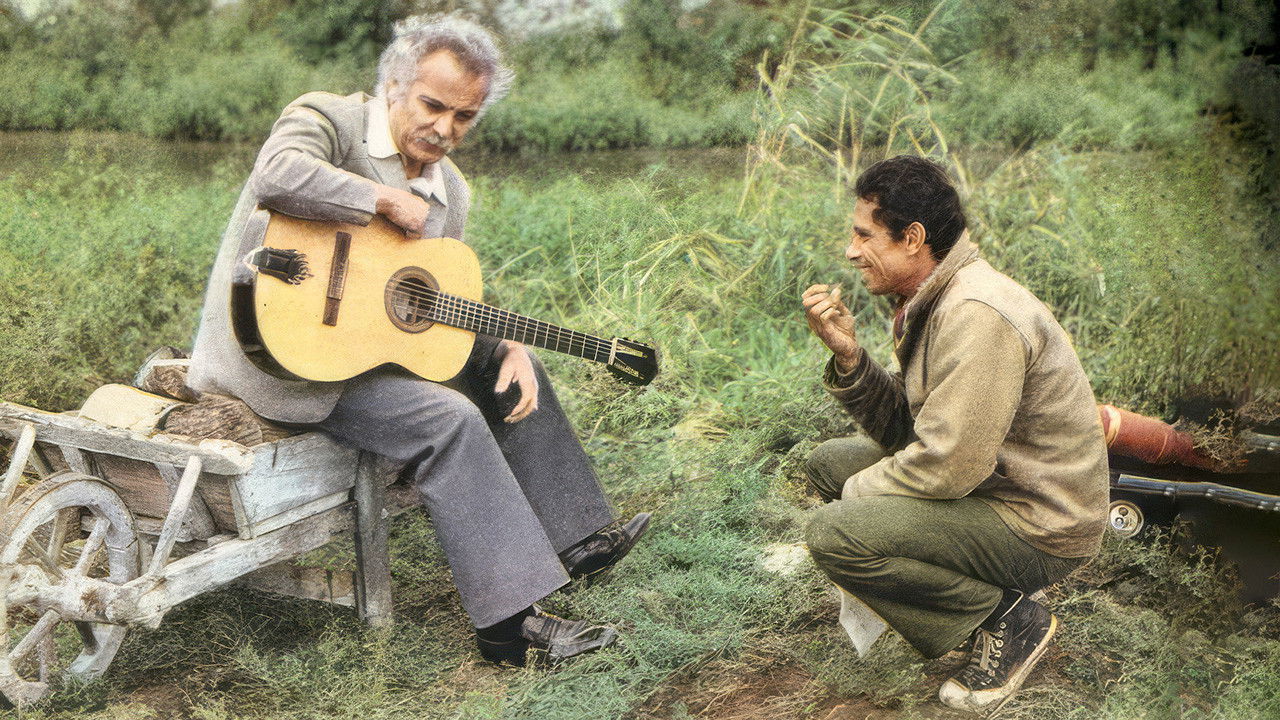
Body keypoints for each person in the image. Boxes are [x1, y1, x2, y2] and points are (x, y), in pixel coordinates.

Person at [188, 14, 649, 667]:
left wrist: (502, 341)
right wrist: (378, 198)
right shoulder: (327, 118)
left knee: (513, 364)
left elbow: (422, 301)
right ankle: (509, 630)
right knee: (449, 420)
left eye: (465, 117)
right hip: (283, 362)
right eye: (433, 105)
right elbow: (276, 174)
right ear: (394, 86)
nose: (445, 129)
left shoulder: (449, 191)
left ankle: (571, 540)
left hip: (365, 353)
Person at [800, 156, 1108, 712]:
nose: (850, 250)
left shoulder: (975, 311)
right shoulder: (938, 296)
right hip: (995, 487)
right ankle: (960, 593)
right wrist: (849, 357)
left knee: (833, 531)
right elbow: (912, 431)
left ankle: (1009, 620)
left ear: (912, 238)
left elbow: (948, 465)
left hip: (1039, 524)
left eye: (864, 234)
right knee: (829, 464)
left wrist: (857, 503)